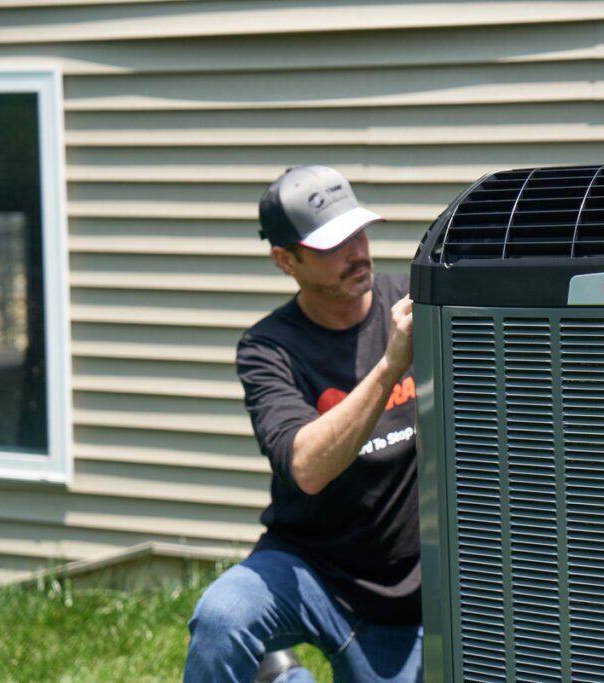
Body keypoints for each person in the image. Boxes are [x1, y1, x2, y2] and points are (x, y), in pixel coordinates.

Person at [184, 166, 422, 683]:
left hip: (410, 585)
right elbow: (308, 467)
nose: (357, 252)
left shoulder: (412, 306)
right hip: (309, 566)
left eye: (358, 232)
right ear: (284, 260)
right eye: (333, 244)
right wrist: (391, 367)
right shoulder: (268, 348)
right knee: (221, 617)